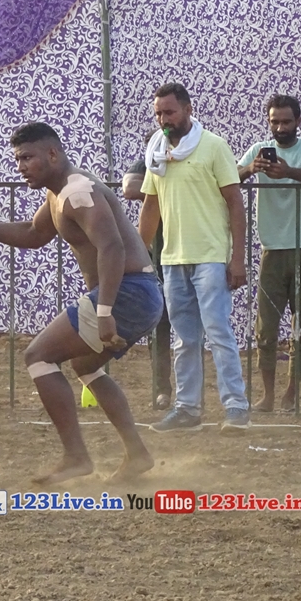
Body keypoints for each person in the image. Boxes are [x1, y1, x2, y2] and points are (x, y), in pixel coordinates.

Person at [0, 122, 160, 484]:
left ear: (53, 154)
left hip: (128, 293)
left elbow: (112, 247)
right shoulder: (59, 193)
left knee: (38, 356)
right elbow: (33, 234)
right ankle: (137, 454)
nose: (21, 167)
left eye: (27, 158)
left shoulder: (78, 192)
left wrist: (104, 311)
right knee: (85, 365)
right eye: (18, 159)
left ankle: (76, 457)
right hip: (137, 293)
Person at [138, 83, 251, 432]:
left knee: (218, 332)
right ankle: (187, 409)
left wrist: (237, 259)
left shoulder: (214, 146)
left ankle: (236, 407)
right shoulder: (156, 152)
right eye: (159, 113)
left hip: (210, 256)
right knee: (185, 339)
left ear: (188, 109)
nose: (164, 120)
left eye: (169, 112)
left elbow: (235, 203)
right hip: (172, 258)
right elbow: (151, 206)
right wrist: (140, 256)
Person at [237, 94, 301, 413]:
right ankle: (267, 395)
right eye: (274, 121)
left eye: (286, 121)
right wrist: (251, 168)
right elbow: (230, 177)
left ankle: (291, 393)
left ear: (298, 121)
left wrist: (290, 172)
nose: (280, 127)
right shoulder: (259, 150)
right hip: (271, 249)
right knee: (265, 327)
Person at [122, 129, 173, 411]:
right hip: (158, 257)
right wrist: (169, 189)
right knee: (159, 327)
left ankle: (192, 392)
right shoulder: (148, 164)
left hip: (191, 254)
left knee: (192, 328)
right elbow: (129, 188)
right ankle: (162, 389)